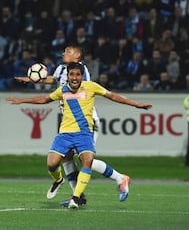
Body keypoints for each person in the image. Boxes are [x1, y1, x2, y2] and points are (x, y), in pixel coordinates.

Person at [7, 62, 152, 209]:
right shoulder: (62, 90)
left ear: (82, 76)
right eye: (72, 74)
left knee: (87, 161)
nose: (75, 78)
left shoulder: (91, 86)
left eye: (78, 75)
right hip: (64, 134)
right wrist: (21, 100)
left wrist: (136, 104)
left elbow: (113, 96)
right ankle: (59, 180)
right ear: (68, 76)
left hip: (84, 133)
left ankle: (76, 198)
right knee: (52, 163)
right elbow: (44, 99)